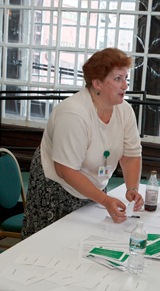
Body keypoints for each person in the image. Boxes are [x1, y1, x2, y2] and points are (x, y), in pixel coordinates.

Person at [22, 48, 144, 239]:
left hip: (93, 188)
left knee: (87, 243)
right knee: (50, 246)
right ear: (97, 83)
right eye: (118, 79)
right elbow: (65, 170)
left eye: (126, 78)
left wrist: (132, 188)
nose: (125, 85)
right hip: (57, 189)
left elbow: (131, 155)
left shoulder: (125, 111)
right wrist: (104, 199)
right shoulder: (73, 113)